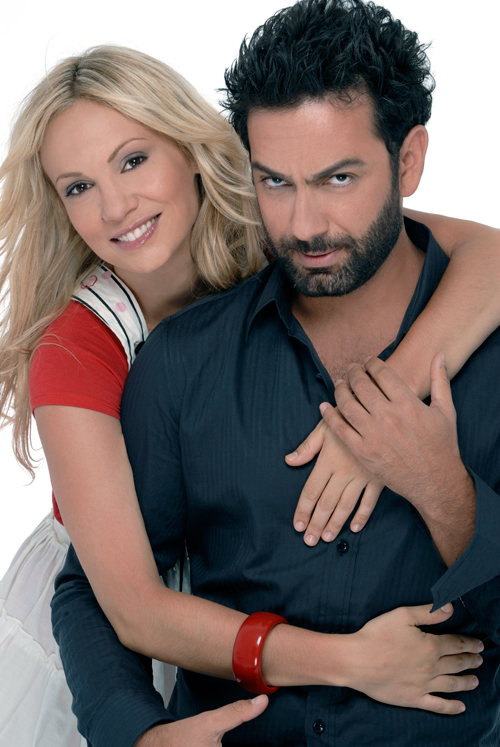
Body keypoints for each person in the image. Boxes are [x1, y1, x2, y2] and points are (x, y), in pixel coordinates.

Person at [0, 42, 487, 747]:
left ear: (191, 148)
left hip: (224, 583)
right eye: (77, 187)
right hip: (120, 606)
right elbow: (132, 608)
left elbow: (485, 256)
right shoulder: (76, 353)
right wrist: (354, 663)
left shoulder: (290, 230)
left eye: (133, 161)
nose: (115, 206)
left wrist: (379, 412)